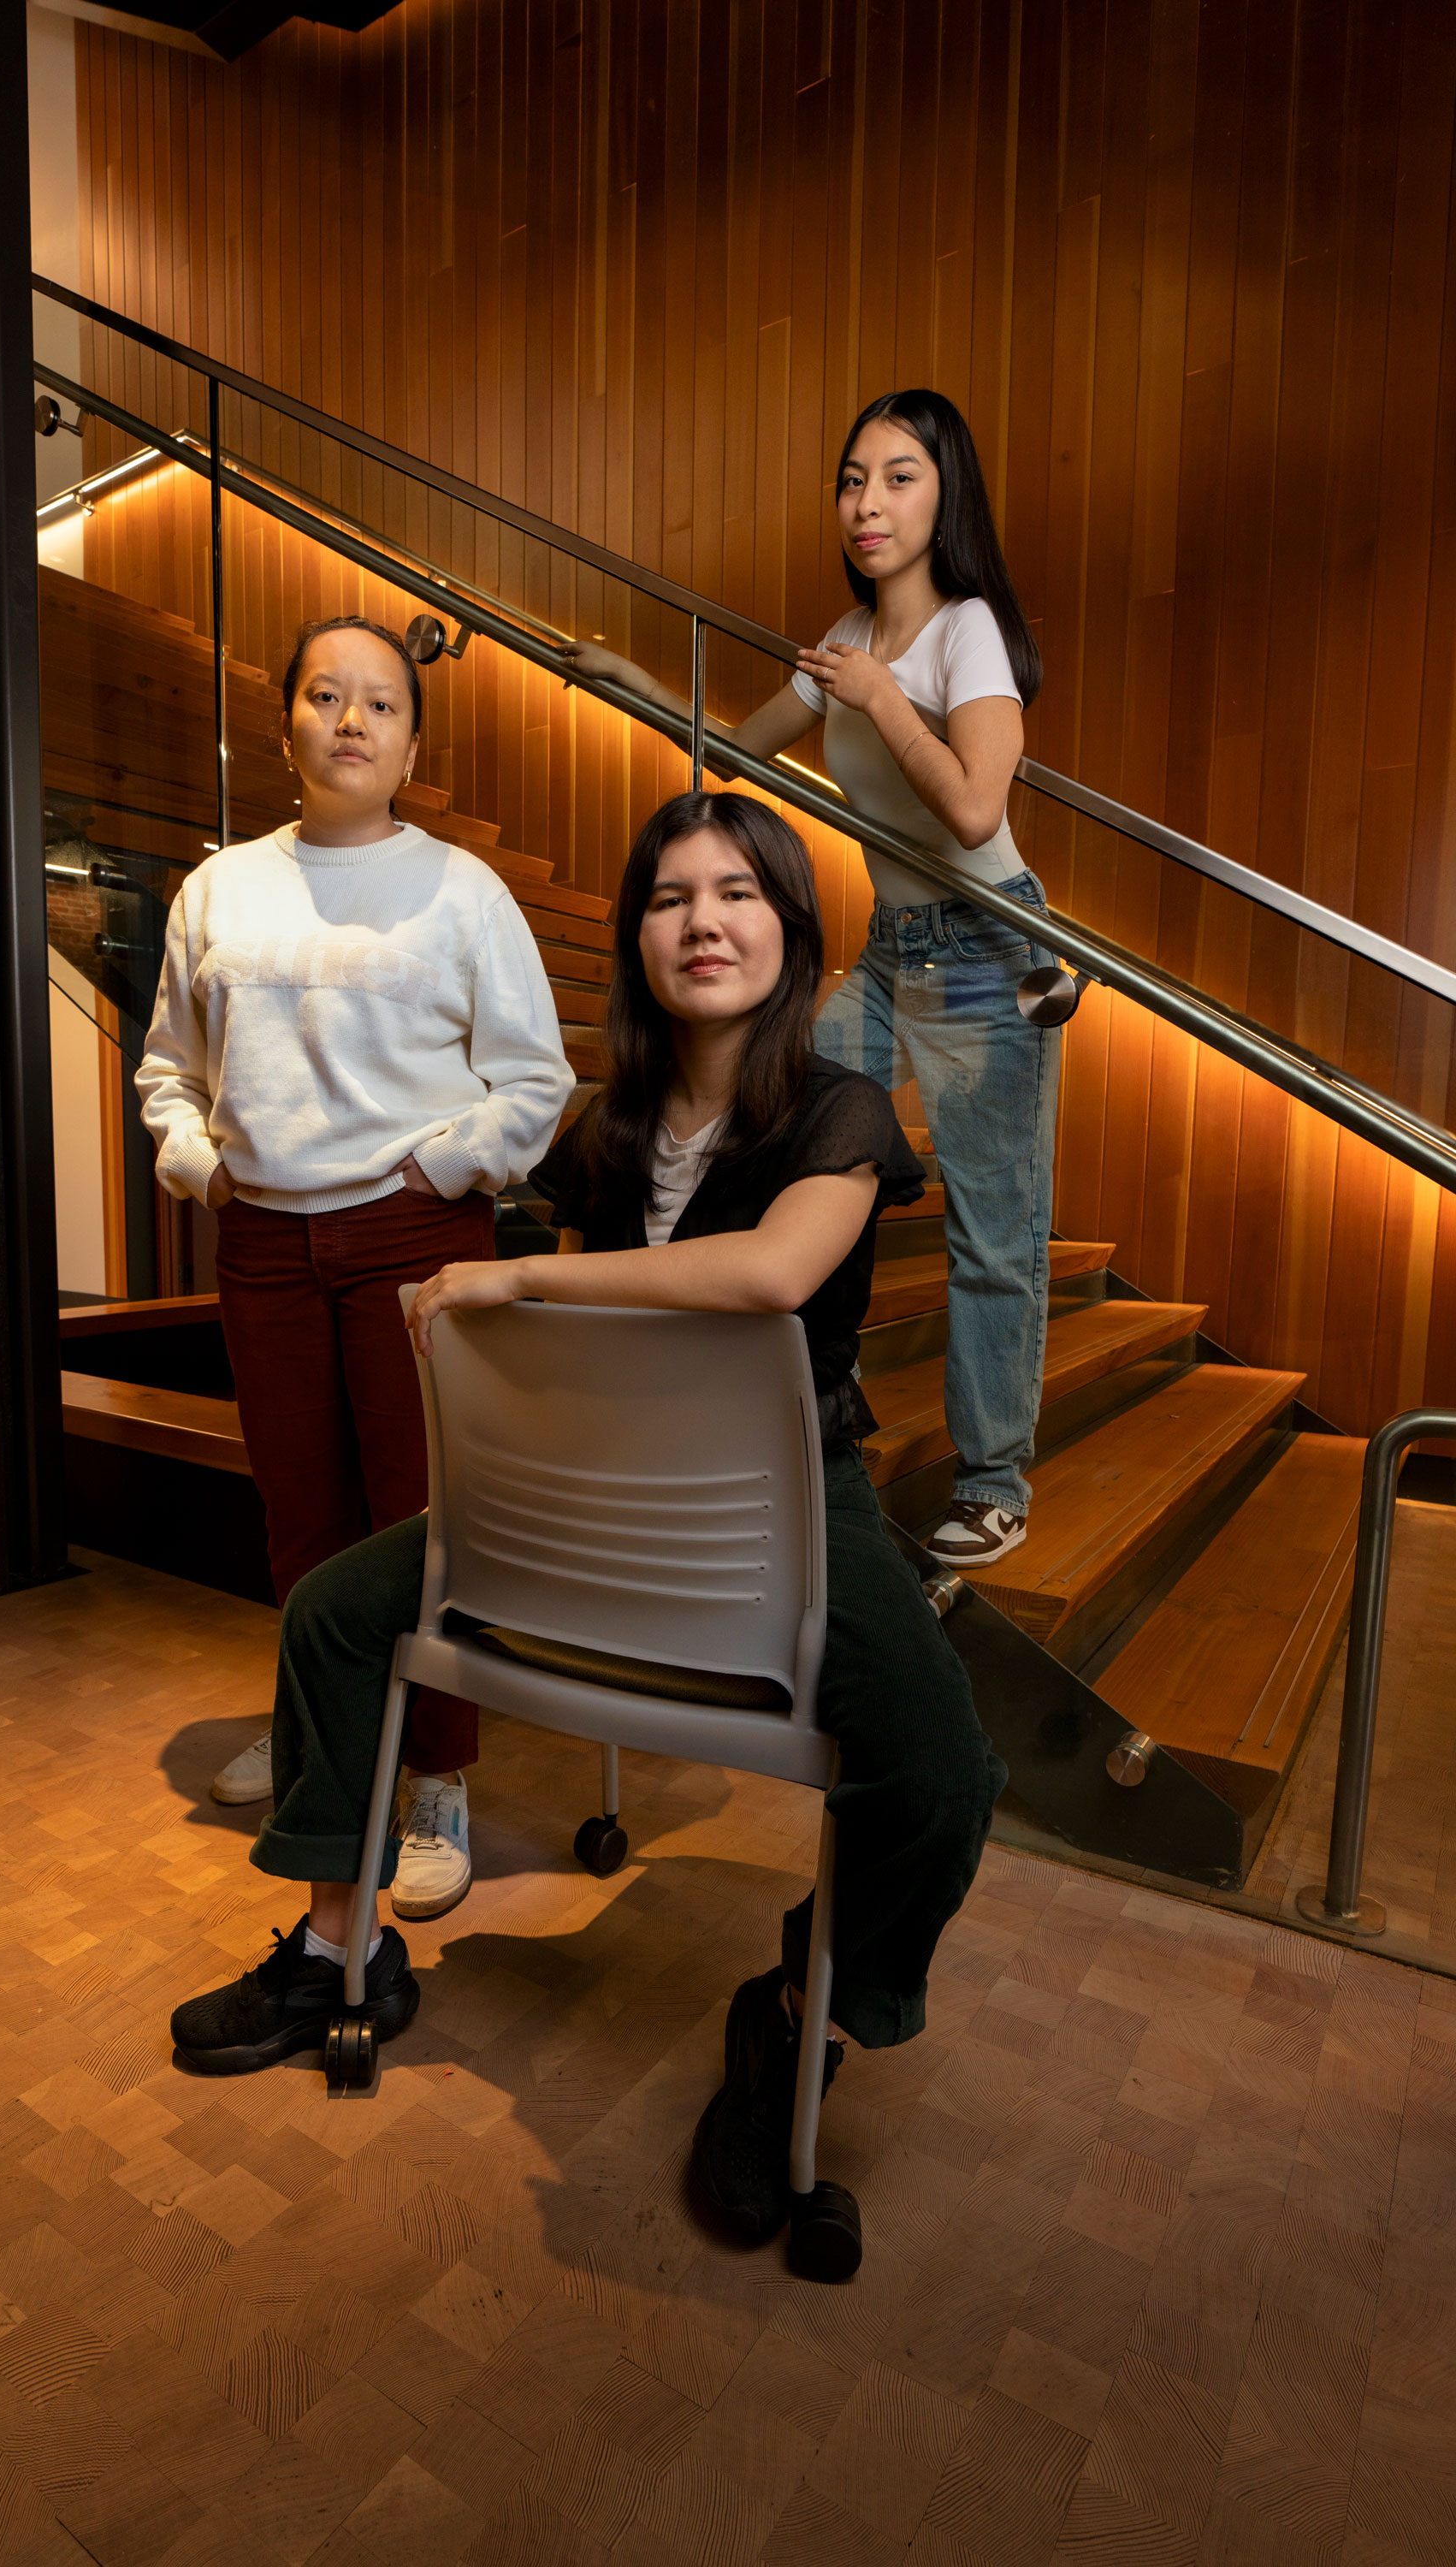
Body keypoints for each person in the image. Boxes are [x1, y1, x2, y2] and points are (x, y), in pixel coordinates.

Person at [166, 790, 1005, 2260]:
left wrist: (521, 1285)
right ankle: (336, 1950)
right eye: (672, 897)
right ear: (637, 938)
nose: (704, 922)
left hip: (787, 1499)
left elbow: (771, 1275)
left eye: (739, 893)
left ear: (792, 931)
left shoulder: (842, 1112)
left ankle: (795, 2024)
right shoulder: (601, 1126)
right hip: (584, 1491)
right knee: (336, 1614)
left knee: (942, 1769)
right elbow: (500, 1265)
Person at [565, 390, 1055, 1568]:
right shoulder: (846, 634)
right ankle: (754, 1390)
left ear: (946, 496)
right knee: (772, 1116)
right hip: (892, 948)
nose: (869, 502)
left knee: (994, 1232)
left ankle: (994, 1483)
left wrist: (884, 698)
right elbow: (741, 751)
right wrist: (634, 680)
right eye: (852, 479)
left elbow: (977, 805)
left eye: (899, 476)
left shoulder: (967, 632)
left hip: (991, 955)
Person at [136, 615, 574, 1918]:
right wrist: (201, 1167)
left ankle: (435, 1773)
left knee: (421, 1517)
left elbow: (535, 1079)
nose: (350, 721)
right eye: (324, 695)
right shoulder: (219, 887)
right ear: (287, 725)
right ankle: (323, 1737)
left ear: (411, 740)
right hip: (262, 1240)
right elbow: (170, 1068)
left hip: (411, 1237)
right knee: (299, 1511)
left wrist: (438, 1173)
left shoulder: (463, 889)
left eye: (378, 703)